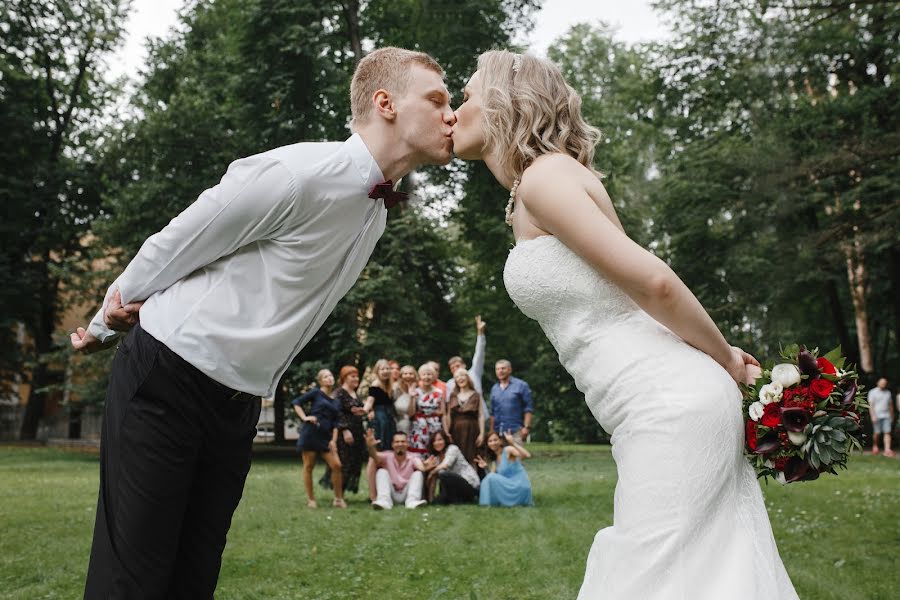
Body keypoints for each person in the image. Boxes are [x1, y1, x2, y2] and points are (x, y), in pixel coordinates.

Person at [70, 46, 456, 598]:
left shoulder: (374, 214)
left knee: (194, 576)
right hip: (167, 379)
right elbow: (182, 239)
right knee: (133, 575)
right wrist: (104, 323)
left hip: (236, 403)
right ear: (385, 103)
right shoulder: (297, 173)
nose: (451, 115)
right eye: (438, 100)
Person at [452, 49, 797, 598]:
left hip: (667, 404)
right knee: (697, 577)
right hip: (653, 403)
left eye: (465, 95)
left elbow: (653, 283)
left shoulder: (545, 179)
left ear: (500, 104)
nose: (454, 109)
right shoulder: (534, 187)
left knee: (648, 576)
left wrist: (729, 359)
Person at [292, 370, 345, 508]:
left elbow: (336, 423)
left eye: (330, 376)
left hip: (326, 437)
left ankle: (338, 499)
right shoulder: (316, 393)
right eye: (325, 376)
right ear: (320, 381)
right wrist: (304, 418)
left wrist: (333, 441)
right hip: (311, 434)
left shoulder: (337, 401)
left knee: (336, 465)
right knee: (309, 467)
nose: (329, 378)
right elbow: (297, 402)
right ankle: (311, 500)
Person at [366, 429, 428, 509]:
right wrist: (371, 447)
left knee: (418, 474)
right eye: (397, 442)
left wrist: (424, 467)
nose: (400, 444)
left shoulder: (413, 457)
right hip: (392, 493)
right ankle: (384, 502)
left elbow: (420, 466)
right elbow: (374, 456)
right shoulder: (387, 456)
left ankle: (412, 502)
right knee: (381, 472)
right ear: (392, 444)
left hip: (407, 493)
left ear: (407, 444)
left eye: (403, 442)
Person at [333, 366, 368, 494]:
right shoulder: (339, 393)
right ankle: (339, 495)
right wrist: (344, 430)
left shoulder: (355, 394)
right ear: (344, 378)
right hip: (345, 433)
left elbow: (357, 411)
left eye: (357, 376)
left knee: (354, 462)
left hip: (358, 432)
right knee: (344, 463)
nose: (356, 379)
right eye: (352, 376)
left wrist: (365, 412)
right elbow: (337, 413)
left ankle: (342, 492)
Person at [445, 315, 488, 418]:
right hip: (460, 420)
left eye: (458, 366)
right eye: (453, 368)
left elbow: (479, 353)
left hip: (479, 416)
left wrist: (480, 333)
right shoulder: (450, 384)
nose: (456, 369)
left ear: (464, 365)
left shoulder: (474, 373)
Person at [475, 431, 532, 507]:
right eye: (490, 441)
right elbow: (492, 478)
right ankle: (488, 504)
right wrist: (485, 467)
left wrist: (513, 443)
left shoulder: (508, 450)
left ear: (500, 441)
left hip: (519, 485)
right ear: (487, 444)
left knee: (490, 477)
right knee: (488, 478)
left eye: (495, 440)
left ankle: (486, 504)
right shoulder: (494, 460)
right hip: (509, 485)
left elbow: (527, 455)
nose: (493, 443)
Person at [424, 429, 481, 504]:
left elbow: (445, 465)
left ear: (445, 440)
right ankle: (455, 500)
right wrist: (430, 500)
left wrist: (432, 472)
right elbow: (433, 480)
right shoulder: (436, 458)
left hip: (470, 484)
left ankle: (465, 499)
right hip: (455, 488)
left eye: (440, 439)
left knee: (444, 475)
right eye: (434, 441)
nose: (437, 443)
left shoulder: (452, 448)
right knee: (438, 502)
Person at [445, 367, 485, 465]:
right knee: (456, 458)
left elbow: (480, 415)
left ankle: (472, 479)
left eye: (462, 375)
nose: (460, 378)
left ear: (467, 378)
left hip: (472, 429)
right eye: (457, 377)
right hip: (456, 430)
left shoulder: (476, 395)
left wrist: (482, 433)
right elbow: (449, 415)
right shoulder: (453, 396)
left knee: (472, 456)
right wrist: (447, 432)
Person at [489, 359, 534, 443]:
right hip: (498, 433)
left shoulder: (521, 385)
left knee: (515, 456)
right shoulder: (494, 388)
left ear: (510, 370)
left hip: (516, 431)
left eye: (503, 368)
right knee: (500, 456)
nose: (500, 371)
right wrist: (491, 430)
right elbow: (492, 412)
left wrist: (526, 427)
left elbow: (528, 409)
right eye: (497, 369)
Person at [409, 363, 445, 455]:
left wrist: (432, 413)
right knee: (419, 449)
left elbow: (442, 411)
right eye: (424, 374)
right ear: (420, 376)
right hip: (419, 425)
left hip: (434, 425)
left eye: (429, 374)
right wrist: (412, 397)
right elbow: (411, 412)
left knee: (434, 449)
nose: (427, 377)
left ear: (433, 376)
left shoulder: (439, 392)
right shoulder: (416, 392)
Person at [367, 359, 396, 451]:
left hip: (389, 416)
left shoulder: (390, 386)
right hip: (380, 417)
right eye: (382, 369)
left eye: (387, 369)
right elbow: (370, 401)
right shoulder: (375, 385)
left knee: (389, 441)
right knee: (381, 441)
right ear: (377, 371)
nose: (385, 371)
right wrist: (365, 410)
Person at [868, 377, 895, 457]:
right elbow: (871, 405)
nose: (883, 384)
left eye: (885, 383)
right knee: (877, 433)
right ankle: (875, 446)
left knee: (887, 432)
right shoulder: (872, 392)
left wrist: (892, 415)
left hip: (886, 415)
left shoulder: (888, 393)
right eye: (882, 382)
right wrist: (873, 416)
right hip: (876, 415)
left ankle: (887, 449)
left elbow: (890, 405)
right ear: (878, 383)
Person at [393, 364, 418, 434]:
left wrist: (411, 396)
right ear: (400, 376)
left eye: (411, 374)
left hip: (414, 425)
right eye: (405, 374)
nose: (408, 376)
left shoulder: (418, 390)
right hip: (396, 424)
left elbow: (411, 413)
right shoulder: (395, 389)